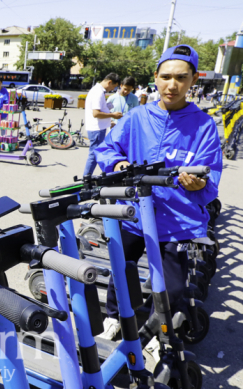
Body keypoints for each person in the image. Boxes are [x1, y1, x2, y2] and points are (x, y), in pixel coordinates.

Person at [95, 44, 222, 340]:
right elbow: (107, 148)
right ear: (155, 77)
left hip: (176, 221)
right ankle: (115, 316)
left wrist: (200, 185)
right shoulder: (138, 117)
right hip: (133, 214)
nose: (172, 85)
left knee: (172, 287)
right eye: (166, 77)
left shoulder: (203, 126)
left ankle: (156, 329)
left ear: (193, 80)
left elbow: (211, 175)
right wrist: (118, 162)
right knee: (121, 270)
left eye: (181, 77)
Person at [82, 72, 122, 176]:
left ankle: (88, 177)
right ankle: (86, 178)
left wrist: (109, 118)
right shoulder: (98, 92)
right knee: (94, 154)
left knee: (96, 153)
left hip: (97, 127)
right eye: (114, 86)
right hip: (96, 129)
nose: (113, 89)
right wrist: (112, 115)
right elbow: (96, 113)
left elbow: (99, 110)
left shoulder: (98, 90)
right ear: (109, 82)